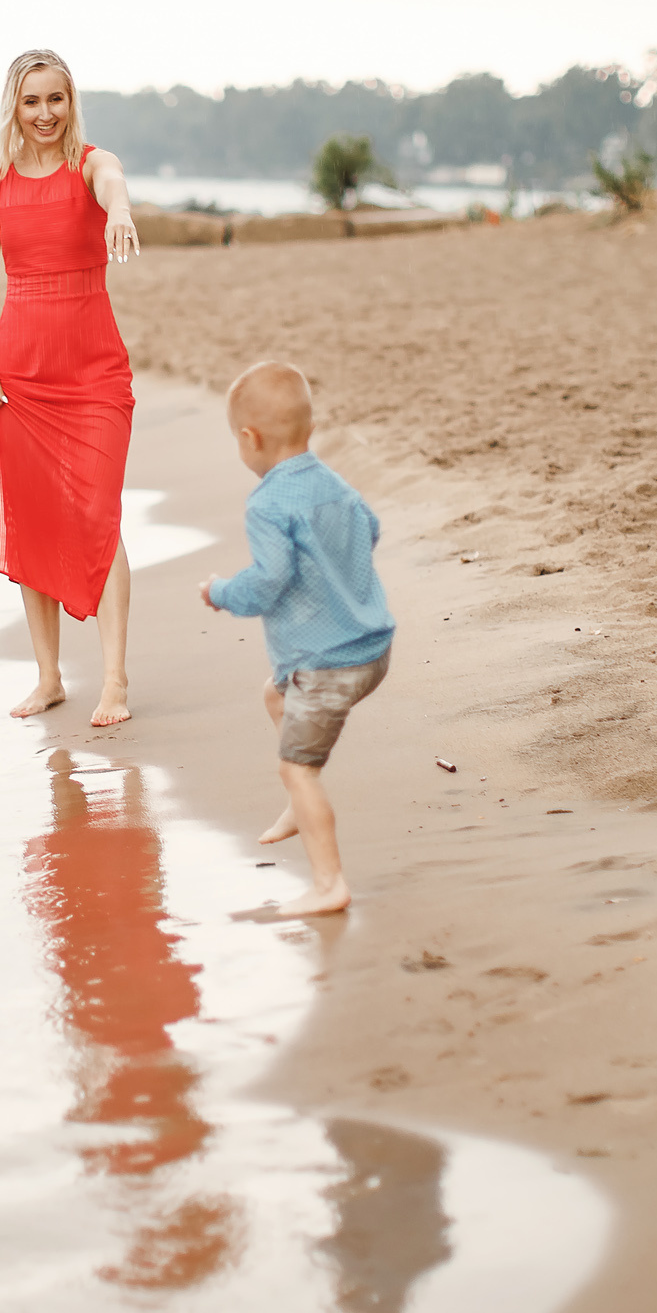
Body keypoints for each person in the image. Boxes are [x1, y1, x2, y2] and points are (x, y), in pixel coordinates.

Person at [0, 49, 141, 726]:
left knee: (99, 513)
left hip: (95, 371)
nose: (45, 113)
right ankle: (48, 677)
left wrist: (119, 212)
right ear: (13, 105)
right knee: (33, 520)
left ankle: (115, 681)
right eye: (32, 100)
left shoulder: (91, 164)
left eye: (56, 99)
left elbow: (112, 181)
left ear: (71, 102)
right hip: (23, 373)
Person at [198, 362, 394, 917]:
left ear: (249, 438)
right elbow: (370, 529)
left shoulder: (267, 503)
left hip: (327, 665)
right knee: (274, 693)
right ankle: (296, 803)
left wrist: (221, 592)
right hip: (373, 650)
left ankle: (328, 884)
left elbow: (269, 582)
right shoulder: (333, 482)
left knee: (298, 768)